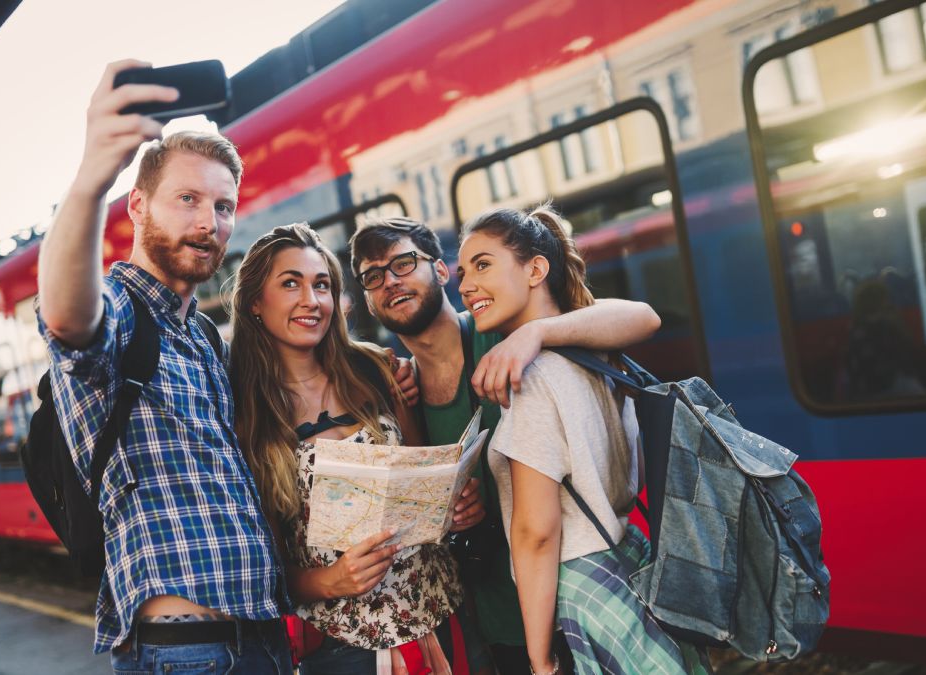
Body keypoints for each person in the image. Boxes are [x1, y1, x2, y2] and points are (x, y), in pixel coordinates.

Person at [36, 61, 293, 671]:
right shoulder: (120, 312)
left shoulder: (203, 337)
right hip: (184, 653)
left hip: (262, 638)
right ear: (138, 206)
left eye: (224, 206)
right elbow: (70, 319)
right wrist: (89, 180)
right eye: (188, 199)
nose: (210, 222)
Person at [349, 218, 661, 673]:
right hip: (492, 620)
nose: (390, 281)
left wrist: (535, 334)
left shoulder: (502, 329)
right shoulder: (398, 391)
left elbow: (643, 317)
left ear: (439, 271)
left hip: (568, 605)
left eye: (403, 263)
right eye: (373, 277)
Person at [457, 205, 710, 675]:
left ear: (536, 269)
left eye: (483, 264)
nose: (465, 284)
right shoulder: (599, 356)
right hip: (624, 557)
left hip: (580, 586)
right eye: (462, 271)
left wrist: (540, 660)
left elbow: (536, 533)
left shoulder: (533, 381)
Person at [228, 223, 476, 674]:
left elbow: (424, 479)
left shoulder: (377, 370)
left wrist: (456, 507)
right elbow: (260, 568)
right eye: (291, 283)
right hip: (346, 648)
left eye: (321, 284)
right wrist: (330, 580)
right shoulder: (244, 418)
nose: (312, 300)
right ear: (255, 304)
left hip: (443, 614)